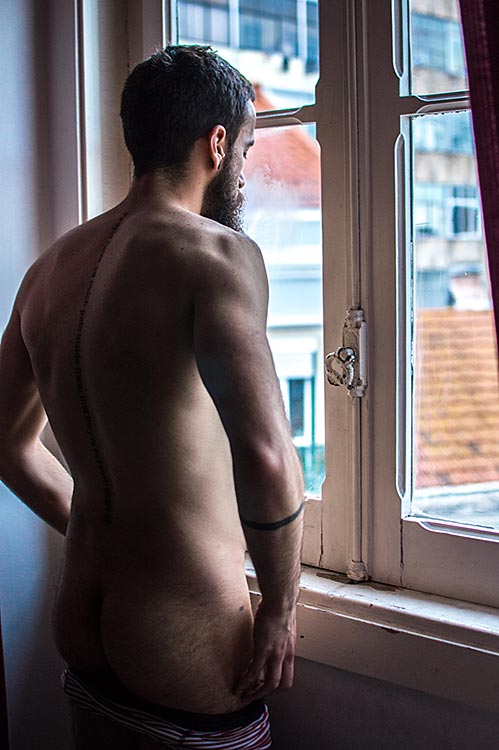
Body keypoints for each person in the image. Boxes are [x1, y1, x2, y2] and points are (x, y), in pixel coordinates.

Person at [0, 45, 304, 749]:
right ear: (216, 143)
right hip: (179, 638)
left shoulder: (49, 269)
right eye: (246, 150)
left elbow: (6, 442)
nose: (243, 171)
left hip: (81, 623)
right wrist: (280, 608)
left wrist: (104, 527)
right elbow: (265, 456)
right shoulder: (215, 255)